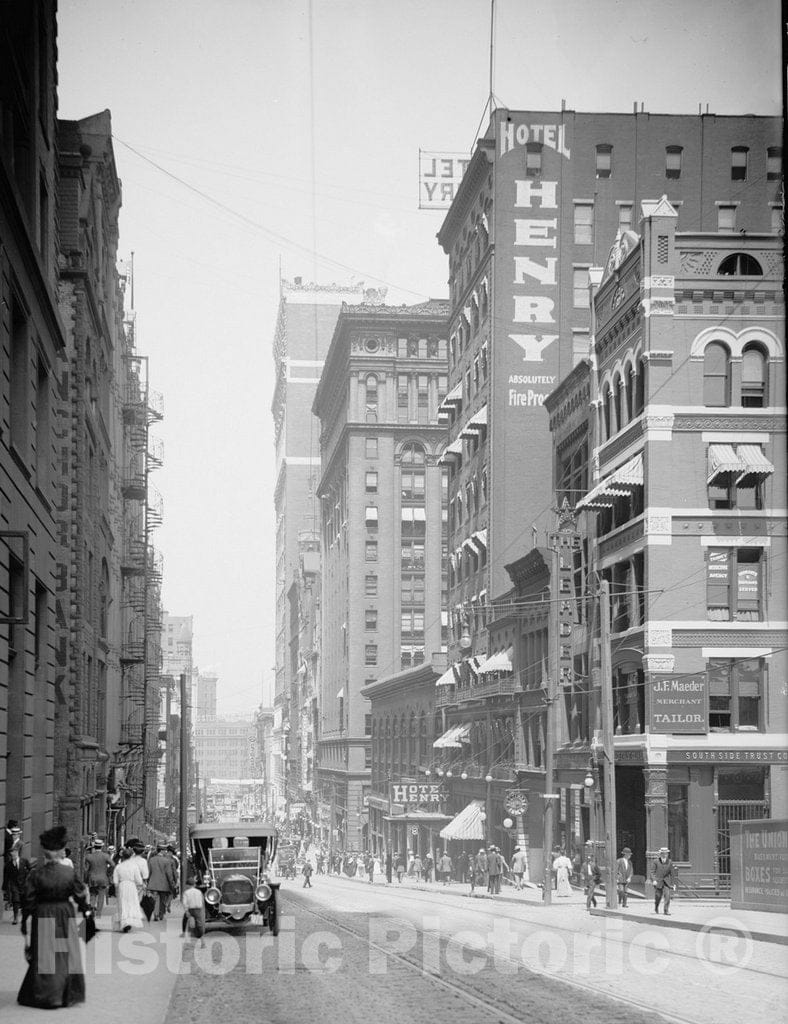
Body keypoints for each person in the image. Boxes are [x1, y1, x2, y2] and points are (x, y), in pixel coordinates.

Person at [18, 825, 93, 1009]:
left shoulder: (37, 874)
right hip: (64, 913)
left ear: (45, 853)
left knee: (45, 954)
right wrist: (86, 912)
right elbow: (80, 894)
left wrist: (26, 919)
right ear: (60, 852)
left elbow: (27, 899)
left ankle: (47, 994)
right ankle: (66, 994)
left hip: (43, 913)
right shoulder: (68, 872)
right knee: (65, 953)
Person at [112, 847, 144, 933]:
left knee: (122, 904)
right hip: (131, 886)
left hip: (122, 885)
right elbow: (139, 880)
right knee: (131, 904)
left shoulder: (118, 867)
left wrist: (116, 888)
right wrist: (140, 885)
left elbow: (115, 880)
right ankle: (129, 921)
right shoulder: (134, 866)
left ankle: (124, 921)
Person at [83, 839, 113, 916]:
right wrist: (108, 872)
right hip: (103, 878)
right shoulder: (106, 856)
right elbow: (113, 865)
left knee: (92, 894)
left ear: (94, 846)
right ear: (102, 846)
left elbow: (86, 869)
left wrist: (86, 878)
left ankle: (92, 907)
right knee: (101, 896)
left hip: (92, 877)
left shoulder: (89, 856)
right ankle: (98, 913)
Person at [147, 844, 177, 921]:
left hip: (153, 883)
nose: (165, 852)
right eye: (164, 851)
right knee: (163, 900)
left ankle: (156, 914)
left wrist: (148, 882)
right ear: (162, 851)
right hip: (164, 884)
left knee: (155, 899)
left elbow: (149, 872)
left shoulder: (151, 860)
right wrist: (172, 884)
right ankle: (161, 914)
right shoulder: (166, 861)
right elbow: (169, 874)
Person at [5, 837, 30, 924]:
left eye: (15, 852)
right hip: (14, 884)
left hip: (24, 884)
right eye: (12, 853)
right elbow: (6, 876)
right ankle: (15, 918)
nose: (13, 854)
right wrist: (4, 886)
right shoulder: (8, 865)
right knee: (16, 900)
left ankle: (24, 916)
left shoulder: (24, 861)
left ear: (18, 853)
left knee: (23, 901)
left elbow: (30, 870)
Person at [180, 876, 206, 949]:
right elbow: (201, 901)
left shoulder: (186, 892)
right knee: (199, 925)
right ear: (194, 885)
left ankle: (185, 937)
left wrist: (186, 911)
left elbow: (185, 903)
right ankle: (203, 943)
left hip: (190, 910)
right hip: (198, 910)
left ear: (187, 885)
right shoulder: (199, 892)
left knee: (187, 923)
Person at [651, 846, 676, 915]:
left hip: (666, 882)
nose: (665, 855)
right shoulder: (656, 861)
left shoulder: (670, 862)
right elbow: (652, 872)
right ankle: (656, 907)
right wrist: (654, 880)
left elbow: (672, 874)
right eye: (663, 853)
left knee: (667, 896)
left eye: (666, 853)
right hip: (658, 882)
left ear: (667, 854)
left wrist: (673, 883)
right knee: (658, 896)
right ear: (660, 854)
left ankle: (666, 911)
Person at [583, 846, 601, 910]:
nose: (588, 859)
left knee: (589, 893)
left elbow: (599, 873)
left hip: (592, 880)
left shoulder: (594, 865)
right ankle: (595, 902)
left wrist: (595, 878)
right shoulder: (584, 864)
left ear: (591, 859)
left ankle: (588, 906)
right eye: (587, 858)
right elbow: (582, 872)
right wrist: (583, 877)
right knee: (590, 893)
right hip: (587, 880)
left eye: (589, 858)